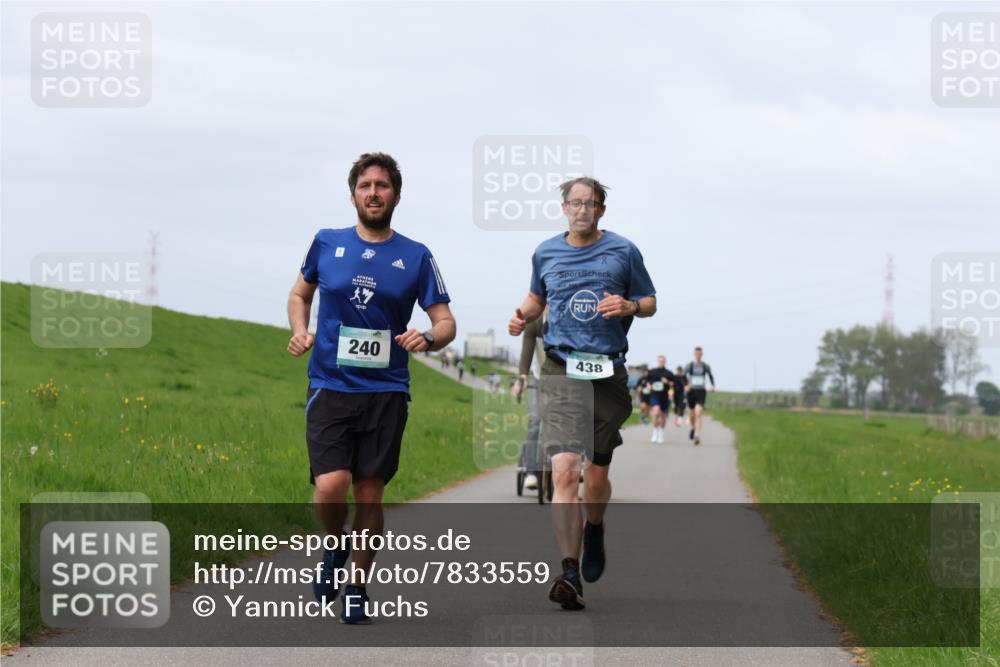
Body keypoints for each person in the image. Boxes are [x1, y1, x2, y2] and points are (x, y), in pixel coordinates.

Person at [287, 152, 456, 624]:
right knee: (330, 487)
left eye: (383, 185)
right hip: (330, 383)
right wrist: (300, 328)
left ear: (396, 196)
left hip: (385, 390)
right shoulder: (326, 242)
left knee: (368, 495)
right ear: (353, 194)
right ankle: (334, 544)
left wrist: (428, 336)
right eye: (366, 185)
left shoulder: (416, 255)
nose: (374, 193)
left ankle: (358, 585)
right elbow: (300, 294)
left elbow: (445, 321)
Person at [508, 176, 656, 611]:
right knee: (565, 469)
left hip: (607, 370)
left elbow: (649, 302)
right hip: (560, 367)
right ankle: (569, 571)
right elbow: (536, 300)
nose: (582, 210)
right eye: (575, 203)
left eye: (590, 204)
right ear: (563, 208)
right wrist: (522, 318)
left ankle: (595, 527)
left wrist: (629, 306)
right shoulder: (545, 252)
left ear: (601, 210)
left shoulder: (624, 251)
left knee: (596, 475)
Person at [512, 310, 548, 492]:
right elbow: (527, 349)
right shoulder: (536, 322)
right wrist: (522, 377)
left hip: (565, 380)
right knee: (535, 421)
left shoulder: (570, 320)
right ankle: (532, 471)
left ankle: (574, 465)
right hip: (539, 378)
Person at [684, 347, 716, 446]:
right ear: (694, 354)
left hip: (701, 392)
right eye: (697, 354)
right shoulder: (689, 366)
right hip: (691, 392)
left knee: (698, 414)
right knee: (691, 414)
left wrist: (712, 386)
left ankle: (697, 436)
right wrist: (686, 385)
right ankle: (693, 428)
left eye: (700, 354)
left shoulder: (705, 366)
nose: (698, 355)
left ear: (702, 355)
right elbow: (684, 377)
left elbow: (710, 376)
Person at [646, 356, 675, 443]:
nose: (661, 362)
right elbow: (647, 381)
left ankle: (661, 434)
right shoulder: (652, 372)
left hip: (665, 397)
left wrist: (668, 382)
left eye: (663, 361)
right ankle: (655, 433)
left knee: (663, 417)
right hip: (655, 395)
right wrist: (649, 385)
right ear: (657, 361)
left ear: (665, 362)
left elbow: (673, 384)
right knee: (656, 412)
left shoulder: (669, 373)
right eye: (660, 361)